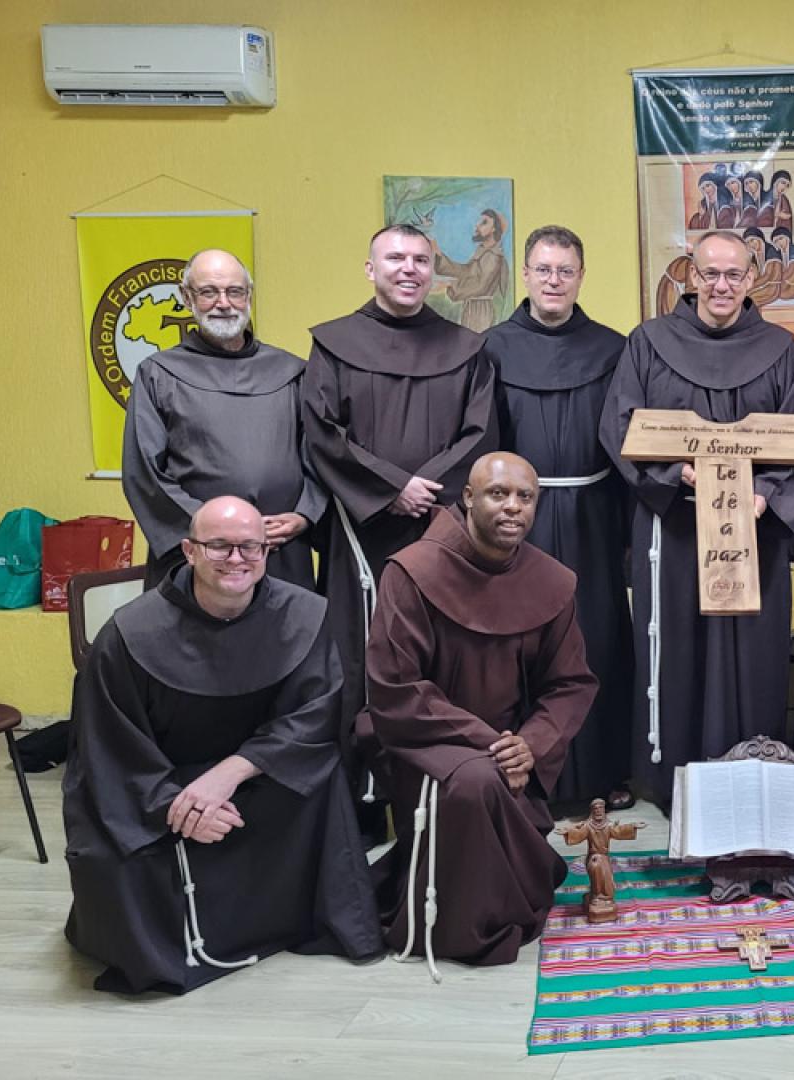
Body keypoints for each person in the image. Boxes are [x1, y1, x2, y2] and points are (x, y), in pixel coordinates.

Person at [61, 497, 380, 994]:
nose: (237, 559)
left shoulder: (305, 615)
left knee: (323, 784)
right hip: (155, 789)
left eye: (250, 546)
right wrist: (176, 805)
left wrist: (231, 773)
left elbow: (315, 717)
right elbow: (107, 748)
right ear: (189, 551)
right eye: (219, 546)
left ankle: (291, 922)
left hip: (256, 775)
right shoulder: (128, 633)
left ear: (267, 552)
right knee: (114, 862)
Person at [598, 230, 794, 807]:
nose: (722, 285)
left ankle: (750, 773)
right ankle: (674, 778)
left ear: (751, 278)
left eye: (733, 274)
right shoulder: (648, 342)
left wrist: (763, 494)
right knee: (678, 653)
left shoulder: (780, 349)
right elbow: (619, 427)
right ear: (691, 276)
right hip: (673, 526)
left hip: (753, 529)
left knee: (751, 654)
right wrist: (678, 475)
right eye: (710, 273)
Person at [366, 452, 598, 967]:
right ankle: (467, 932)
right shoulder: (411, 571)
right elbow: (396, 686)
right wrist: (492, 745)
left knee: (488, 779)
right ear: (468, 499)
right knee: (475, 783)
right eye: (498, 494)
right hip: (423, 736)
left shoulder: (551, 581)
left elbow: (570, 683)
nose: (513, 506)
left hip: (511, 748)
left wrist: (531, 744)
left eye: (525, 497)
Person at [304, 224, 496, 803]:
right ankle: (360, 792)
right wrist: (392, 489)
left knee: (443, 653)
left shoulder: (467, 348)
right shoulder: (334, 344)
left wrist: (425, 492)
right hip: (362, 529)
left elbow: (481, 433)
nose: (409, 269)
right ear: (371, 269)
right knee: (359, 653)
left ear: (433, 272)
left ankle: (441, 786)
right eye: (395, 258)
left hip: (441, 530)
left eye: (420, 259)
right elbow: (320, 432)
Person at [480, 225, 636, 814]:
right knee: (521, 642)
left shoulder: (612, 347)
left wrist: (627, 530)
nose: (553, 281)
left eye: (565, 271)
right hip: (518, 517)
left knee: (597, 638)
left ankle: (602, 771)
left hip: (593, 514)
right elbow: (486, 439)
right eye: (543, 269)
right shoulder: (492, 347)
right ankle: (529, 773)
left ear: (580, 277)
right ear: (525, 274)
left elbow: (625, 442)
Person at [123, 249, 324, 590]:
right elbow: (143, 473)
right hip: (199, 553)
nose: (223, 303)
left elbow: (320, 457)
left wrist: (305, 515)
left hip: (280, 548)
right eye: (208, 292)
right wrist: (218, 533)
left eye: (234, 291)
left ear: (249, 297)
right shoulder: (158, 374)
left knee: (284, 623)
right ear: (187, 298)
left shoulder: (292, 372)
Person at [432, 209, 510, 333]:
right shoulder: (482, 253)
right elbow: (466, 272)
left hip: (481, 312)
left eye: (484, 222)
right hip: (472, 308)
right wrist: (439, 255)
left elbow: (480, 285)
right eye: (479, 222)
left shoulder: (493, 257)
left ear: (494, 229)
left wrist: (450, 284)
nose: (477, 225)